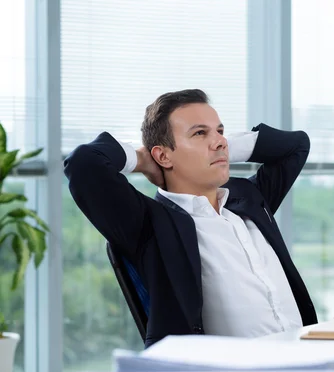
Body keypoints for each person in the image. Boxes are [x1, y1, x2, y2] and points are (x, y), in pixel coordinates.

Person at [64, 89, 318, 347]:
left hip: (307, 359)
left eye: (219, 131)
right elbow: (83, 164)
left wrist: (223, 148)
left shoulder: (249, 199)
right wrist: (142, 159)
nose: (219, 140)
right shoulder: (152, 224)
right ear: (162, 155)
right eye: (199, 133)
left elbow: (296, 146)